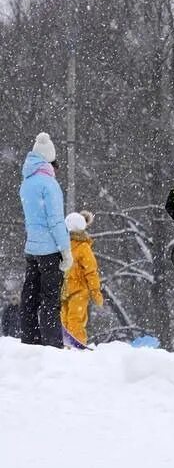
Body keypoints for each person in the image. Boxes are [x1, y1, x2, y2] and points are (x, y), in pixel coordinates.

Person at [19, 132, 71, 348]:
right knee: (50, 299)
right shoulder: (49, 185)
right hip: (50, 250)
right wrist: (66, 251)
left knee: (30, 296)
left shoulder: (27, 183)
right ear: (49, 162)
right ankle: (52, 345)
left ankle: (29, 340)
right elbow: (56, 221)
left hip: (32, 249)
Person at [61, 210, 103, 348]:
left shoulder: (83, 247)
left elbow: (91, 271)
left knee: (75, 320)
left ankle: (77, 346)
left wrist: (95, 291)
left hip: (79, 291)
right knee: (63, 320)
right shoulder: (63, 246)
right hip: (63, 291)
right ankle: (65, 347)